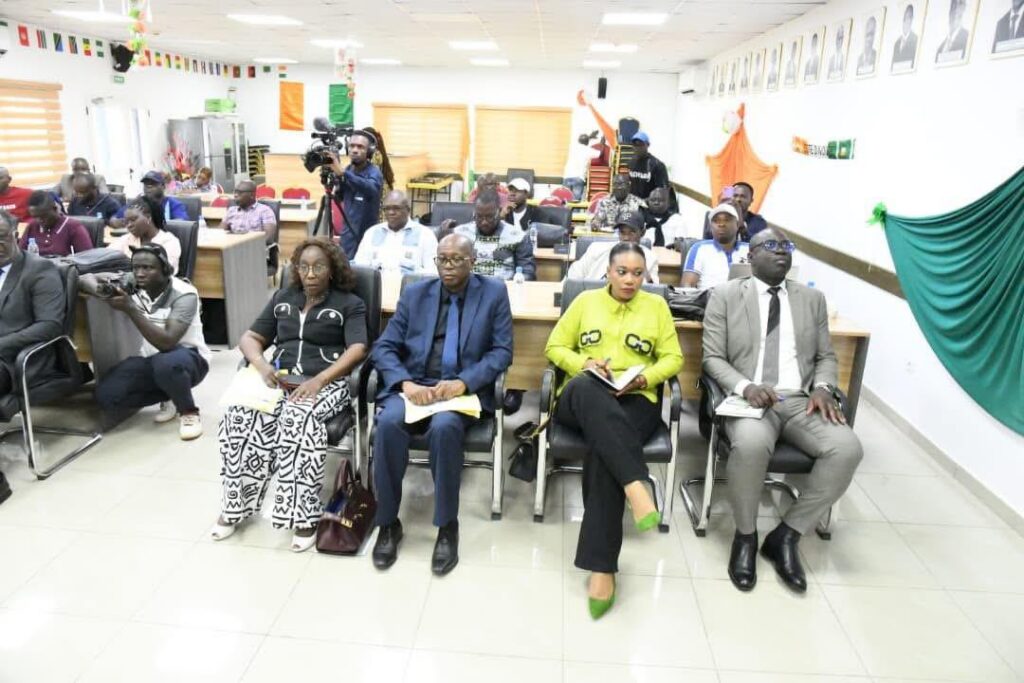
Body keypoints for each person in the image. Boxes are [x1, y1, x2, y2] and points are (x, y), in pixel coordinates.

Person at [702, 228, 863, 594]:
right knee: (750, 446)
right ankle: (745, 536)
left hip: (799, 399)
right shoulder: (725, 295)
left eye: (786, 246)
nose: (781, 252)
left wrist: (823, 387)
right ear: (751, 255)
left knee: (847, 449)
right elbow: (712, 358)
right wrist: (746, 386)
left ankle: (787, 535)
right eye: (771, 246)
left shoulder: (812, 299)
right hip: (750, 398)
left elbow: (825, 356)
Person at [546, 242, 683, 619]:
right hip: (583, 396)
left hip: (635, 399)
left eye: (637, 273)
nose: (629, 280)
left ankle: (602, 568)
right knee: (587, 389)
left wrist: (644, 379)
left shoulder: (656, 307)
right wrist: (585, 363)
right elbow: (554, 347)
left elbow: (673, 358)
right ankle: (636, 484)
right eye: (622, 272)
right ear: (607, 272)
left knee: (605, 450)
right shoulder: (585, 301)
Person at [370, 233, 513, 575]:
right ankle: (388, 523)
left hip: (460, 390)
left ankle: (447, 526)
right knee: (387, 424)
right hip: (415, 386)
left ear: (473, 261)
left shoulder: (493, 293)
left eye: (457, 260)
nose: (448, 266)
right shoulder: (416, 293)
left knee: (445, 428)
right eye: (442, 259)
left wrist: (464, 382)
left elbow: (502, 352)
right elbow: (384, 347)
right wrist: (406, 382)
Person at [212, 238, 369, 552]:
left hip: (326, 383)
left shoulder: (349, 304)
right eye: (304, 267)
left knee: (299, 419)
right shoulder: (283, 298)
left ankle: (303, 515)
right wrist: (262, 366)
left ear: (332, 269)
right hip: (279, 380)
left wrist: (320, 380)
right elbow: (250, 338)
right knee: (239, 416)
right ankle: (235, 505)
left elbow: (358, 349)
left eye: (318, 267)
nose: (310, 274)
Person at [84, 243, 211, 440]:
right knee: (107, 395)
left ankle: (189, 413)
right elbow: (85, 278)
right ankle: (170, 394)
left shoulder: (184, 294)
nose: (140, 273)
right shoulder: (134, 282)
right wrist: (101, 290)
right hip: (151, 360)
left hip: (190, 358)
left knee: (166, 363)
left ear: (165, 269)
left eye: (148, 268)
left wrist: (131, 309)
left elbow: (167, 342)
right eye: (136, 268)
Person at [0, 210, 66, 506]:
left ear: (15, 235)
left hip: (16, 358)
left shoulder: (38, 270)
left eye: (1, 237)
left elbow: (49, 326)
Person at [326, 130, 384, 259]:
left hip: (367, 234)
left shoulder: (374, 172)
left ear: (369, 151)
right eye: (352, 146)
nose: (355, 150)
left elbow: (370, 188)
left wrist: (343, 174)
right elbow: (340, 197)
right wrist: (336, 180)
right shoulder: (348, 169)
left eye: (360, 147)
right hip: (348, 235)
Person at [453, 191, 536, 281]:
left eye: (489, 217)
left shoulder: (518, 236)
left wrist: (518, 280)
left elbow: (527, 272)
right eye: (479, 217)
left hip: (505, 286)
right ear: (474, 213)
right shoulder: (460, 234)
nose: (484, 222)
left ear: (499, 212)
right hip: (469, 286)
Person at [354, 190, 439, 275]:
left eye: (396, 208)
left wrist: (407, 275)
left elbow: (433, 271)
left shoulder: (425, 235)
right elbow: (360, 266)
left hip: (410, 283)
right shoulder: (371, 233)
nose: (391, 212)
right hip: (377, 282)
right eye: (387, 209)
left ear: (408, 210)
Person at [567, 210, 660, 283]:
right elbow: (573, 275)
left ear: (643, 232)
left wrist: (644, 272)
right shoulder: (597, 249)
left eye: (632, 233)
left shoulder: (650, 258)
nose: (626, 238)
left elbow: (654, 290)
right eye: (622, 232)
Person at [109, 196, 182, 275]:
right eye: (126, 222)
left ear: (148, 217)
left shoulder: (168, 241)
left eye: (133, 220)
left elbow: (165, 272)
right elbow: (105, 256)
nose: (129, 225)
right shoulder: (127, 239)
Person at [683, 204, 750, 289]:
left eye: (727, 220)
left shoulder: (749, 250)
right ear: (711, 227)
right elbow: (687, 286)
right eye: (716, 221)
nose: (721, 224)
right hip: (709, 296)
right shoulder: (699, 249)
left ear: (737, 224)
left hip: (744, 296)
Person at [19, 190, 94, 256]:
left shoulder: (73, 227)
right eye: (35, 217)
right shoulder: (33, 226)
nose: (39, 220)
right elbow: (20, 255)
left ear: (54, 209)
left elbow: (88, 258)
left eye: (43, 216)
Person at [111, 171, 188, 227]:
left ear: (163, 186)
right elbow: (113, 218)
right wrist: (116, 222)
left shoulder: (173, 204)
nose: (148, 186)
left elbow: (182, 223)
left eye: (153, 183)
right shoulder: (138, 202)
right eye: (146, 184)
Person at [702, 182, 768, 240]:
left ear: (751, 201)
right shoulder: (712, 215)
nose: (738, 199)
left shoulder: (759, 222)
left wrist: (743, 229)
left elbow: (758, 246)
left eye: (743, 197)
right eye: (735, 196)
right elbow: (707, 240)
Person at [627, 132, 670, 203]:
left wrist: (643, 202)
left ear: (648, 145)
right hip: (633, 204)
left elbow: (663, 192)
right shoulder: (631, 163)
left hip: (651, 205)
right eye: (635, 144)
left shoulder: (657, 165)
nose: (637, 148)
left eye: (640, 144)